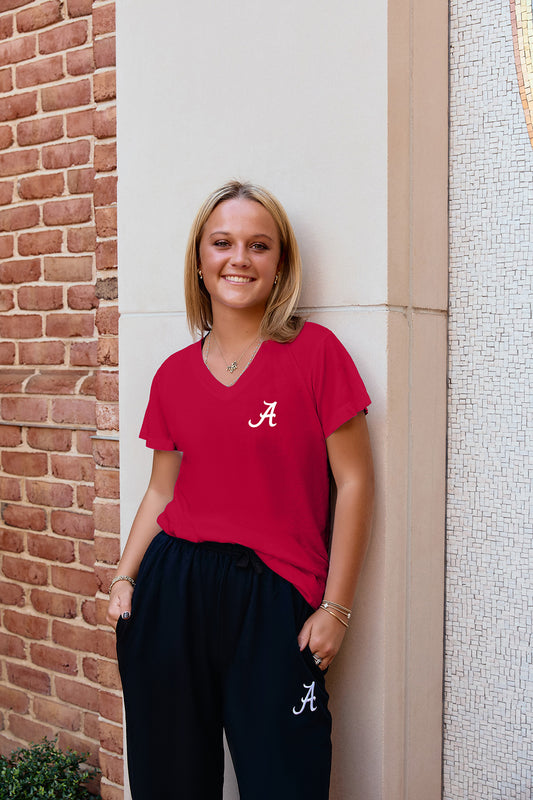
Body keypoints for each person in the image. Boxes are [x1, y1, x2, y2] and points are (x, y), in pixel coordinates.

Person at [107, 180, 374, 800]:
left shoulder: (316, 354)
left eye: (260, 245)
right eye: (222, 242)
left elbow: (356, 482)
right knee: (168, 780)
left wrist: (336, 608)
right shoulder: (172, 374)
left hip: (275, 600)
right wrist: (125, 578)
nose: (240, 259)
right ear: (199, 261)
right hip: (172, 590)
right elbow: (161, 493)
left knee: (286, 780)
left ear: (280, 264)